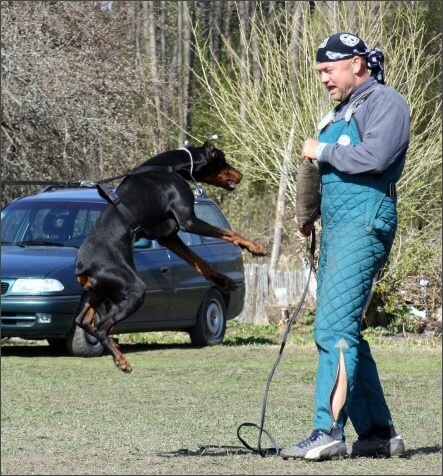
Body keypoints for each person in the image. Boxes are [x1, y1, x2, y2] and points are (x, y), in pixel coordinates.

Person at [280, 32, 410, 461]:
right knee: (345, 330)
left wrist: (323, 149)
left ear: (356, 63)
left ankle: (327, 431)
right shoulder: (337, 114)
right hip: (336, 228)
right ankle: (377, 433)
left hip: (366, 223)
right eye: (319, 71)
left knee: (332, 330)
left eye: (329, 69)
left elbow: (375, 158)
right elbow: (313, 168)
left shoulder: (387, 103)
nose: (323, 78)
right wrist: (305, 216)